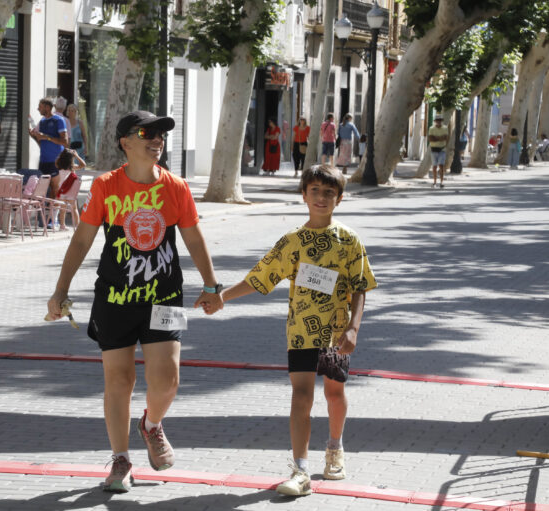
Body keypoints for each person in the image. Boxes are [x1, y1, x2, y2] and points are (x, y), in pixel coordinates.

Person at [46, 110, 222, 493]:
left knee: (168, 380)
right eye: (147, 132)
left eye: (161, 133)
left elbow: (193, 239)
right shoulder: (107, 186)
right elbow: (82, 240)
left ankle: (152, 424)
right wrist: (61, 290)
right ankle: (120, 458)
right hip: (114, 297)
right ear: (125, 142)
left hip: (166, 296)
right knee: (119, 380)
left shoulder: (176, 188)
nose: (156, 139)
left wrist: (212, 286)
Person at [210, 165, 376, 497]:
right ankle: (301, 470)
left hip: (334, 333)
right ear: (303, 195)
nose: (321, 197)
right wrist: (222, 297)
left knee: (334, 394)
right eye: (314, 190)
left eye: (329, 192)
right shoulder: (292, 242)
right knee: (301, 396)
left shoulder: (348, 240)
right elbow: (261, 277)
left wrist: (354, 329)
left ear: (339, 199)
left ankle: (335, 449)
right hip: (300, 333)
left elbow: (360, 287)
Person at [29, 98, 68, 229]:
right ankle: (43, 219)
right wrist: (34, 135)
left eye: (40, 106)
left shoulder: (58, 120)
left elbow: (65, 141)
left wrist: (46, 137)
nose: (38, 109)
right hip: (43, 161)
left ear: (47, 107)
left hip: (55, 161)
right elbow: (41, 142)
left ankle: (53, 219)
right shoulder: (42, 121)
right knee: (43, 191)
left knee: (54, 190)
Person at [55, 148, 86, 230]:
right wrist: (77, 155)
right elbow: (83, 165)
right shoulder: (72, 167)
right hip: (71, 191)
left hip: (62, 190)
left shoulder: (58, 164)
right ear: (71, 158)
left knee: (63, 209)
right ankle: (78, 226)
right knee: (74, 208)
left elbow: (58, 160)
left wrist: (65, 152)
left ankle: (62, 225)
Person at [428, 114, 448, 189]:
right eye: (437, 120)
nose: (438, 122)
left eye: (440, 120)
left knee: (441, 165)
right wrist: (440, 138)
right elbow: (430, 139)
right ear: (435, 121)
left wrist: (436, 138)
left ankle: (441, 182)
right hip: (433, 149)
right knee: (434, 166)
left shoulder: (445, 128)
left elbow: (445, 138)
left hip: (442, 149)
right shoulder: (431, 128)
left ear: (441, 121)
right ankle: (434, 181)